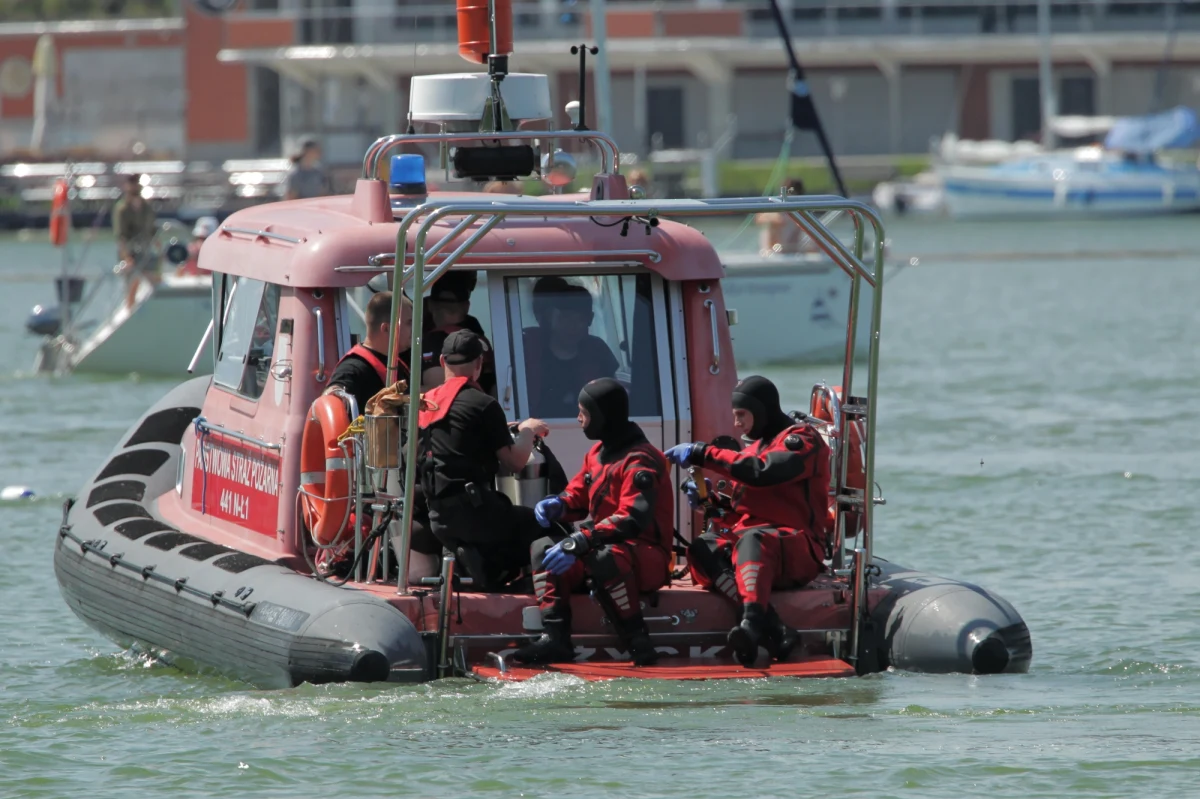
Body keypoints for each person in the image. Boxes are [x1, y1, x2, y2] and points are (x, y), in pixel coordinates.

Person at [664, 375, 831, 668]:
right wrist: (711, 504)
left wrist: (702, 452)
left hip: (799, 550)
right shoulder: (754, 450)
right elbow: (744, 513)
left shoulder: (802, 441)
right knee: (703, 548)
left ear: (761, 410)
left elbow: (763, 473)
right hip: (760, 545)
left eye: (741, 414)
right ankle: (775, 630)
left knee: (753, 539)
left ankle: (752, 623)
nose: (737, 423)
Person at [513, 379, 673, 666]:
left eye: (583, 413)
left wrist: (582, 540)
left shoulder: (642, 460)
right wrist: (558, 504)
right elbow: (578, 494)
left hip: (645, 555)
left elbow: (632, 519)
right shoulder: (597, 454)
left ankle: (638, 640)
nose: (578, 419)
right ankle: (556, 638)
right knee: (542, 548)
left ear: (602, 416)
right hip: (603, 545)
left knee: (603, 558)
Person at [417, 330, 550, 590]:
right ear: (479, 364)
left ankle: (482, 566)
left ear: (442, 362)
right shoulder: (483, 404)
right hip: (477, 514)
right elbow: (514, 463)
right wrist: (528, 430)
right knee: (541, 524)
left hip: (437, 516)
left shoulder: (423, 405)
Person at [524, 283, 619, 418]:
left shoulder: (598, 351)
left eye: (579, 319)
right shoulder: (527, 349)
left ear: (590, 319)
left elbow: (614, 397)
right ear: (551, 317)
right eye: (565, 318)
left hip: (589, 428)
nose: (571, 327)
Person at [325, 291, 414, 415]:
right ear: (386, 328)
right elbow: (330, 399)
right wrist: (336, 394)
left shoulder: (398, 362)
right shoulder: (353, 368)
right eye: (409, 323)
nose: (414, 329)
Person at [421, 271, 495, 393]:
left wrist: (400, 393)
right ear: (467, 306)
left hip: (457, 406)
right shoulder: (476, 332)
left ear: (429, 305)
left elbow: (436, 390)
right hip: (484, 404)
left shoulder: (436, 339)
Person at [112, 173, 159, 310]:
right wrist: (126, 257)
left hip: (146, 250)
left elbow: (152, 230)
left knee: (154, 279)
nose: (135, 186)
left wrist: (158, 246)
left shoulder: (146, 206)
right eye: (132, 183)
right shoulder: (122, 209)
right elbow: (121, 235)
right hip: (130, 252)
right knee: (132, 283)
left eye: (137, 183)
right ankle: (130, 310)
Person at [756, 178, 808, 256]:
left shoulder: (800, 210)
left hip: (791, 247)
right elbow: (759, 218)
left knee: (794, 224)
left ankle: (785, 251)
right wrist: (778, 219)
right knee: (771, 223)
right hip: (776, 248)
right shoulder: (779, 206)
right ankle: (769, 251)